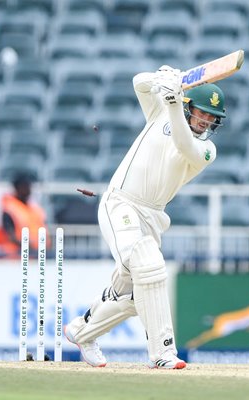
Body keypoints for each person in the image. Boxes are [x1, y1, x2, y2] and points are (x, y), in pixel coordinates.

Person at [63, 66, 227, 369]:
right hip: (121, 202)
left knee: (140, 293)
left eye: (211, 118)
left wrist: (175, 102)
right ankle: (163, 353)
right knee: (148, 267)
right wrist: (163, 80)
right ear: (192, 107)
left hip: (152, 216)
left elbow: (182, 143)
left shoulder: (206, 149)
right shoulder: (162, 111)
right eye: (202, 113)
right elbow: (138, 83)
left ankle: (82, 331)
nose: (205, 121)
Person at [1, 173, 49, 257]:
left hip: (38, 255)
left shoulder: (34, 207)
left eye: (28, 186)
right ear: (17, 188)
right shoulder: (9, 208)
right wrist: (29, 247)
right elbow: (10, 236)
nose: (28, 189)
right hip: (16, 256)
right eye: (24, 186)